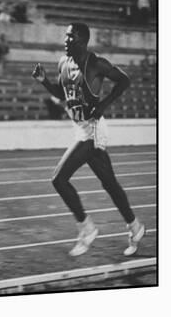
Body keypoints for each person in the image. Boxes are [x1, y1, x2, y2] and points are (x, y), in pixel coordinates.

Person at [31, 23, 145, 257]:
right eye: (65, 35)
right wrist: (44, 80)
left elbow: (124, 80)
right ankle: (135, 226)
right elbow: (61, 94)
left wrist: (103, 105)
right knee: (110, 184)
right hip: (80, 129)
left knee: (59, 179)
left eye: (70, 36)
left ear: (82, 40)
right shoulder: (63, 63)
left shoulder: (95, 63)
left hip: (93, 130)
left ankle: (87, 228)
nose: (65, 39)